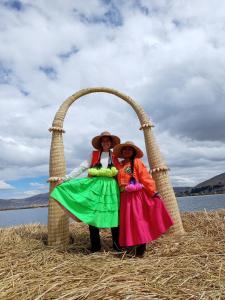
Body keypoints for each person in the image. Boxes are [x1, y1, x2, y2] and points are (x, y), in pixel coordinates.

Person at [50, 131, 121, 252]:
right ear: (100, 143)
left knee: (113, 215)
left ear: (111, 143)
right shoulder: (94, 155)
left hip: (111, 189)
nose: (105, 143)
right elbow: (82, 167)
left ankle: (117, 246)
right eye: (103, 141)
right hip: (95, 188)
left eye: (108, 141)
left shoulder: (114, 156)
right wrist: (65, 179)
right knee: (93, 214)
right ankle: (95, 247)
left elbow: (121, 172)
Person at [113, 141, 174, 257]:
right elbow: (113, 162)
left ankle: (141, 249)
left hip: (136, 196)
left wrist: (153, 192)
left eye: (129, 149)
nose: (126, 151)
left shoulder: (137, 162)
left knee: (138, 220)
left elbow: (145, 178)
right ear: (121, 152)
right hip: (125, 197)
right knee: (128, 221)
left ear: (133, 152)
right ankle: (130, 245)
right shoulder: (119, 165)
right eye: (124, 149)